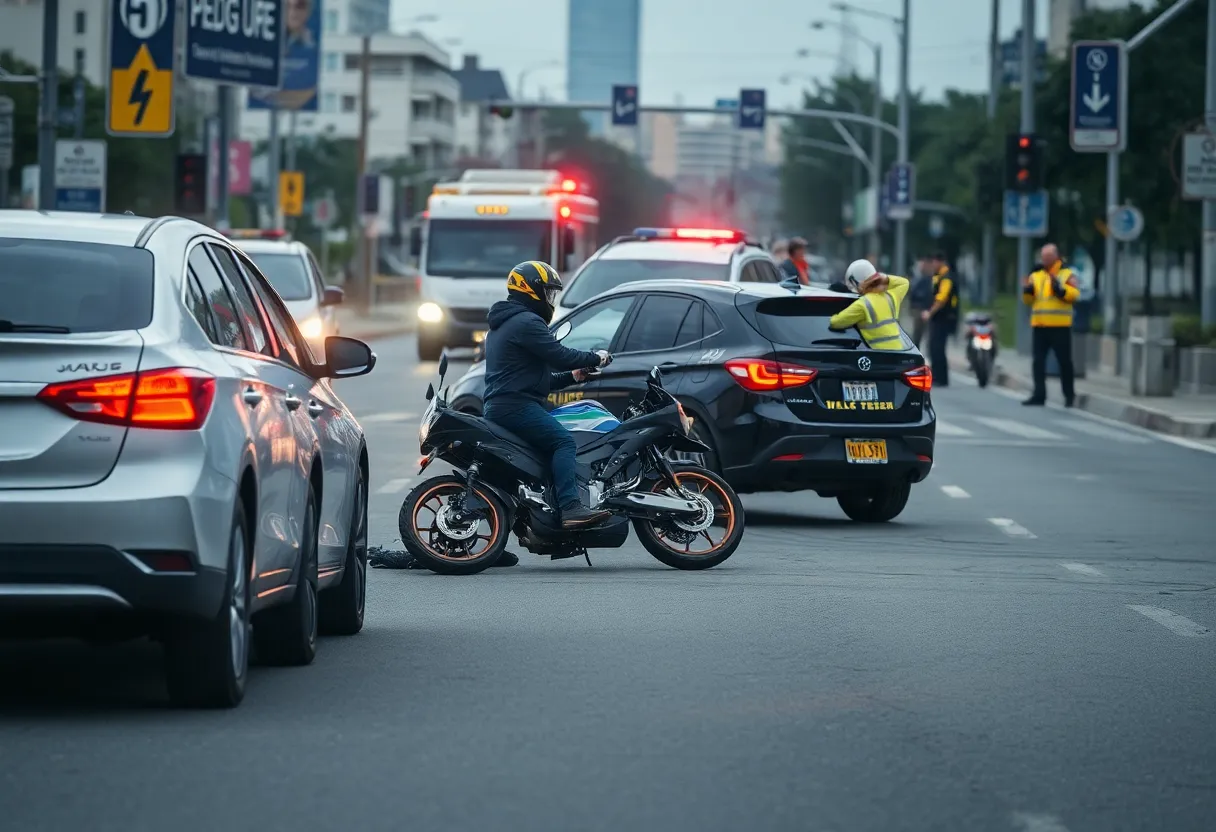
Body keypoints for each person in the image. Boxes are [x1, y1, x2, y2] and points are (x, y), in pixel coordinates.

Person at [483, 260, 613, 536]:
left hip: (503, 405)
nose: (550, 299)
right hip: (516, 407)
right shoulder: (526, 322)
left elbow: (533, 380)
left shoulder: (502, 324)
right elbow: (560, 355)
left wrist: (574, 376)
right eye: (548, 292)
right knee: (563, 441)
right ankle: (571, 508)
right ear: (531, 289)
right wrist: (596, 357)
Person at [1022, 243, 1080, 407]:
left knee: (1064, 362)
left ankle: (1069, 395)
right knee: (1038, 362)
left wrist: (1061, 291)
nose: (1045, 259)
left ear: (1056, 256)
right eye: (1043, 256)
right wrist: (1027, 291)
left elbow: (1075, 294)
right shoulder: (1036, 275)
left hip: (1060, 325)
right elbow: (1029, 301)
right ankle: (1039, 394)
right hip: (1040, 325)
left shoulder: (1066, 274)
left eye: (1048, 256)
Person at [828, 260, 911, 350]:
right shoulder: (889, 297)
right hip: (899, 352)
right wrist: (884, 278)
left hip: (880, 354)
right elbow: (904, 283)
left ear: (854, 282)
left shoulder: (863, 304)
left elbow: (835, 323)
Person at [920, 252, 959, 386]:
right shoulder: (939, 276)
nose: (933, 264)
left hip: (944, 317)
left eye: (935, 262)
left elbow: (941, 299)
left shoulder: (947, 278)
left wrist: (929, 313)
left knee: (938, 347)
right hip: (939, 318)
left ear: (941, 262)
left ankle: (941, 378)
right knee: (934, 347)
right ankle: (937, 376)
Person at [907, 257, 935, 348]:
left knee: (927, 335)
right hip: (919, 308)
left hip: (926, 309)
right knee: (917, 334)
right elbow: (913, 293)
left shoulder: (930, 279)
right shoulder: (919, 278)